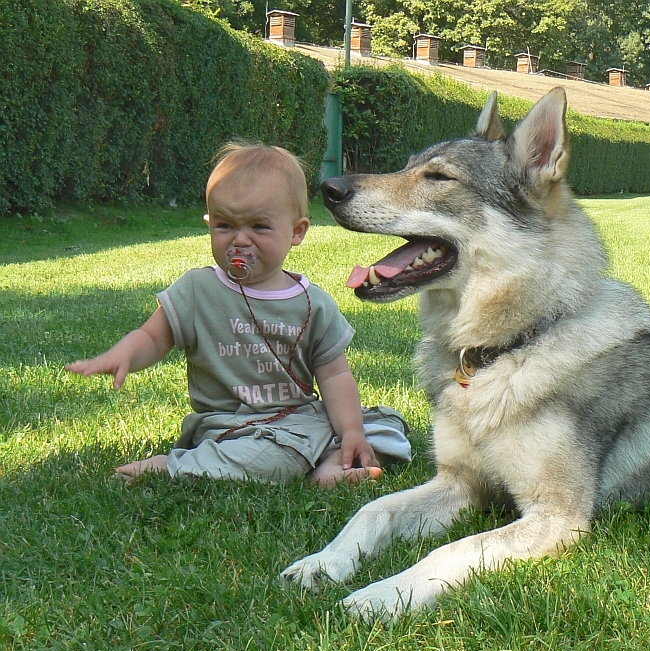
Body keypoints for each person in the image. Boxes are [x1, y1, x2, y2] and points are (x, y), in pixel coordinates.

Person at [66, 141, 410, 488]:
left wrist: (351, 431)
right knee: (273, 456)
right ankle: (171, 467)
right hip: (233, 429)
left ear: (297, 232)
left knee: (387, 426)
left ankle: (332, 464)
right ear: (209, 224)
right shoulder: (198, 291)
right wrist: (123, 354)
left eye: (259, 227)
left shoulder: (313, 304)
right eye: (225, 226)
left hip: (302, 420)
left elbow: (335, 377)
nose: (240, 240)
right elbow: (153, 337)